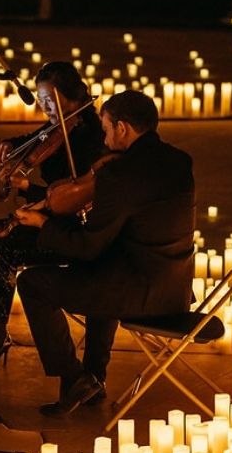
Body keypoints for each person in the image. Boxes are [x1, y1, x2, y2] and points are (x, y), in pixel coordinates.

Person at [13, 90, 196, 416]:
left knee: (32, 283)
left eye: (108, 128)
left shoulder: (120, 175)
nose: (105, 136)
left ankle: (76, 376)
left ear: (123, 128)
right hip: (174, 289)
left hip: (142, 294)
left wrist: (43, 223)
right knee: (103, 273)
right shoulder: (180, 160)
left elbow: (87, 246)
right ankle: (94, 378)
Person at [0, 61, 105, 370]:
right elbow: (33, 139)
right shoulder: (59, 125)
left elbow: (68, 200)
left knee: (2, 251)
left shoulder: (89, 136)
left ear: (70, 98)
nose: (42, 106)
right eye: (41, 98)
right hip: (48, 216)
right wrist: (8, 144)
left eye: (49, 100)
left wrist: (26, 188)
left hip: (70, 228)